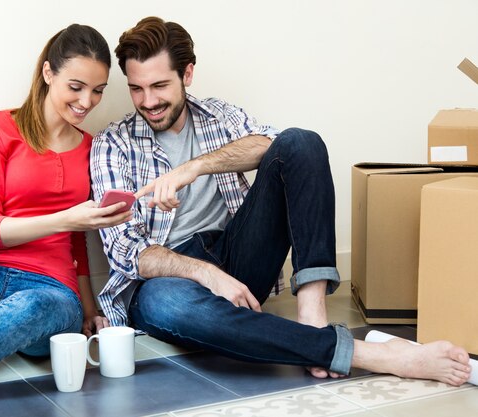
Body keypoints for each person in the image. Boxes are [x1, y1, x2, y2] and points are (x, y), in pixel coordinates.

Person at [90, 16, 471, 386]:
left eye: (160, 85)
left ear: (187, 75)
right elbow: (129, 253)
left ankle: (312, 311)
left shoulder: (217, 114)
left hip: (235, 252)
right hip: (171, 279)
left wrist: (195, 168)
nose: (149, 100)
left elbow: (277, 146)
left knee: (303, 141)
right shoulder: (113, 144)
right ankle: (371, 355)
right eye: (137, 88)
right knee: (170, 309)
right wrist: (207, 274)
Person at [0, 24, 132, 408]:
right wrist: (67, 217)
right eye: (76, 86)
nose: (87, 101)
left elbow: (78, 241)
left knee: (30, 307)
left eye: (98, 90)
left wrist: (87, 308)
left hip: (50, 294)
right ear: (49, 74)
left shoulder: (92, 148)